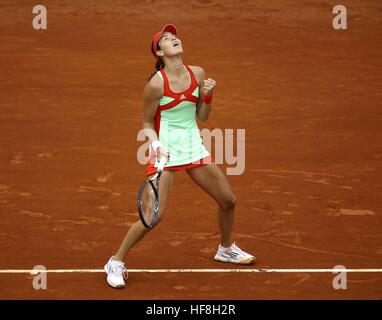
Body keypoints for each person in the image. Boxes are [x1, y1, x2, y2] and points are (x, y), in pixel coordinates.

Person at [104, 24, 255, 288]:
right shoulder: (155, 85)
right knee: (153, 216)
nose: (173, 38)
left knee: (228, 200)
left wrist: (207, 96)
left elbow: (202, 117)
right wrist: (155, 145)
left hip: (193, 148)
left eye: (174, 35)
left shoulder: (197, 73)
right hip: (165, 153)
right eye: (165, 39)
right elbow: (147, 122)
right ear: (160, 52)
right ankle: (115, 261)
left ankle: (226, 248)